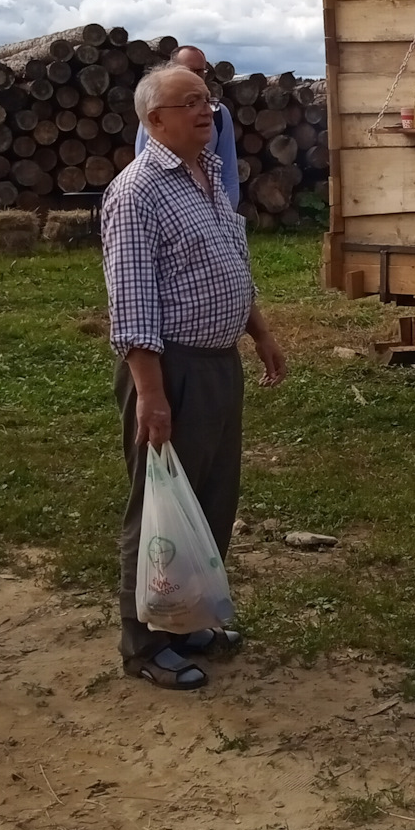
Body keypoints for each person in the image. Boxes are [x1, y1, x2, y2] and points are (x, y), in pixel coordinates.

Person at [102, 63, 288, 690]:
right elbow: (131, 305)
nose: (206, 112)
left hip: (216, 363)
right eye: (190, 104)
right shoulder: (135, 193)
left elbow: (232, 263)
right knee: (157, 508)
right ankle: (145, 643)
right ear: (155, 121)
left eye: (207, 101)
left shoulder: (205, 177)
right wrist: (151, 395)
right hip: (169, 368)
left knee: (209, 501)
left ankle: (184, 620)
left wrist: (258, 331)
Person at [134, 45, 240, 209]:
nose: (196, 77)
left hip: (210, 209)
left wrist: (226, 214)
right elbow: (142, 161)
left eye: (201, 72)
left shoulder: (218, 114)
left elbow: (228, 172)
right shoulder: (158, 113)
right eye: (191, 71)